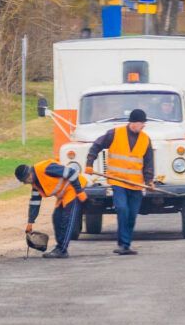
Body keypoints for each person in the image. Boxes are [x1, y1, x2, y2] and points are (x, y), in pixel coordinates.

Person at [86, 108, 154, 255]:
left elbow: (149, 162)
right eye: (142, 123)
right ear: (133, 123)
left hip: (136, 184)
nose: (143, 126)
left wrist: (149, 180)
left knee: (132, 215)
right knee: (122, 209)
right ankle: (123, 244)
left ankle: (126, 245)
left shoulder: (145, 139)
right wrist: (89, 163)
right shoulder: (115, 133)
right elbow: (96, 146)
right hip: (119, 182)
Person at [14, 160, 88, 259]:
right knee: (56, 218)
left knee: (67, 219)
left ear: (29, 174)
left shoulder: (45, 168)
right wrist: (30, 222)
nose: (26, 183)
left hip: (74, 188)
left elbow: (72, 172)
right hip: (63, 194)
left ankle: (62, 250)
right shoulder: (35, 184)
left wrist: (79, 191)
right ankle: (59, 248)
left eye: (26, 180)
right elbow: (35, 203)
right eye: (24, 181)